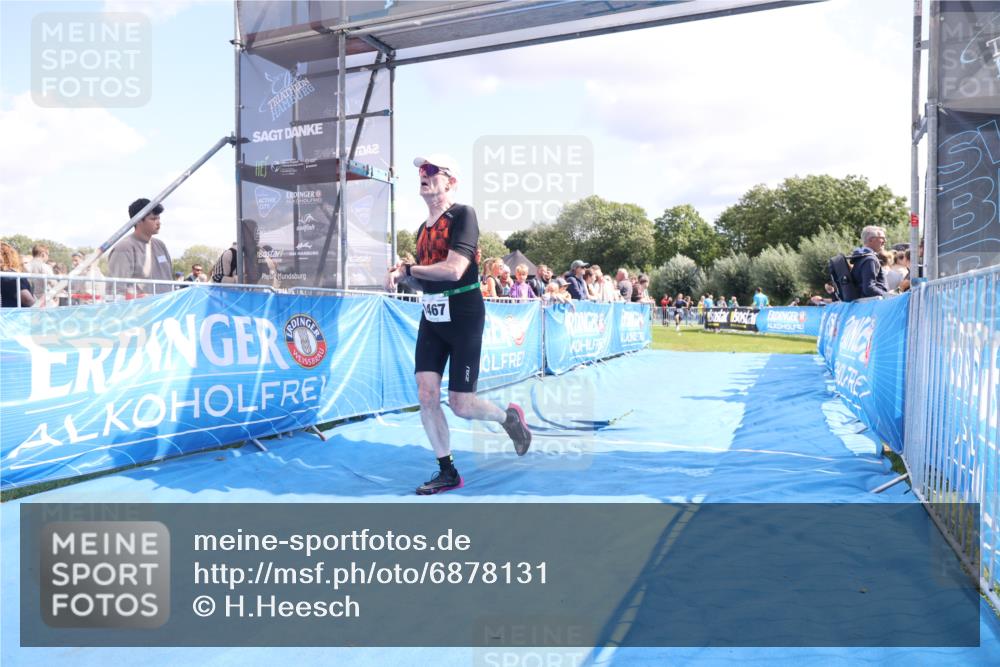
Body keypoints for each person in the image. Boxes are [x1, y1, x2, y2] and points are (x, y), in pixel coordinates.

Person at [385, 154, 532, 495]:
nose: (424, 175)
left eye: (432, 171)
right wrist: (399, 278)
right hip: (433, 315)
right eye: (422, 172)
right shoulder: (422, 230)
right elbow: (426, 282)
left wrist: (409, 270)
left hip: (464, 313)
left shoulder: (463, 215)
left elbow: (453, 270)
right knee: (426, 392)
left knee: (462, 404)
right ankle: (447, 470)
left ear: (450, 182)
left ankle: (508, 418)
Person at [108, 198, 174, 296]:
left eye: (159, 218)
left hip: (166, 306)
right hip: (140, 309)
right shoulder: (124, 248)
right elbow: (116, 289)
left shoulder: (160, 245)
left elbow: (169, 278)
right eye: (153, 219)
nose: (158, 222)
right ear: (138, 220)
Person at [849, 225, 888, 298]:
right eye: (882, 238)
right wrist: (888, 296)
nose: (885, 241)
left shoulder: (860, 257)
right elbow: (869, 288)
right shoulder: (870, 259)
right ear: (871, 240)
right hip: (872, 304)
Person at [1, 241, 35, 307]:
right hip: (15, 315)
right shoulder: (9, 276)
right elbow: (27, 300)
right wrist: (39, 312)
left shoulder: (7, 274)